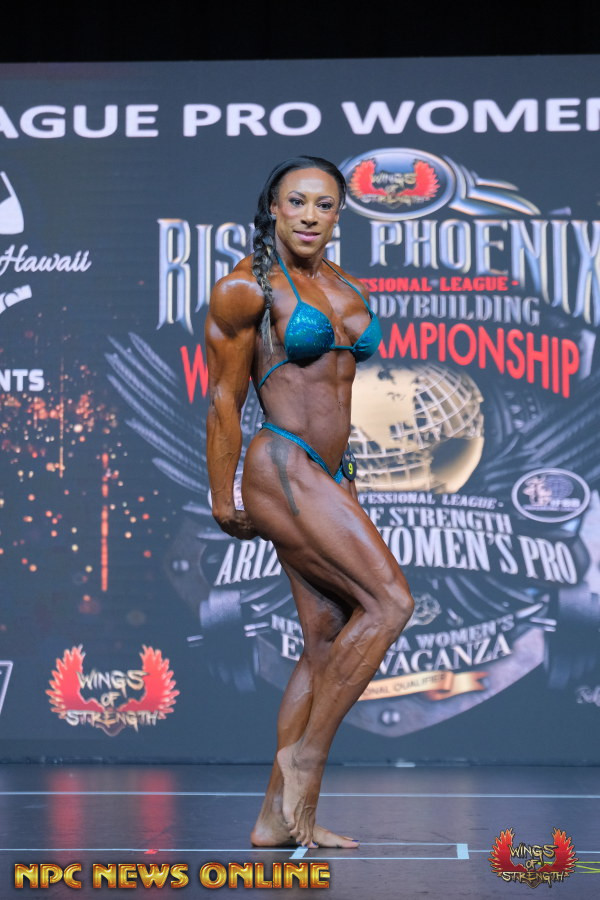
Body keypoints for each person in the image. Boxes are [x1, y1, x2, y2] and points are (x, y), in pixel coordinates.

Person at [205, 156, 414, 848]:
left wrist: (343, 479)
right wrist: (222, 492)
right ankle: (306, 763)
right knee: (390, 604)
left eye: (324, 205)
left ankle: (275, 817)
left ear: (338, 215)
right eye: (296, 202)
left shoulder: (343, 284)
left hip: (330, 471)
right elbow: (224, 399)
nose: (309, 216)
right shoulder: (246, 287)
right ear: (273, 207)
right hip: (282, 463)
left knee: (326, 638)